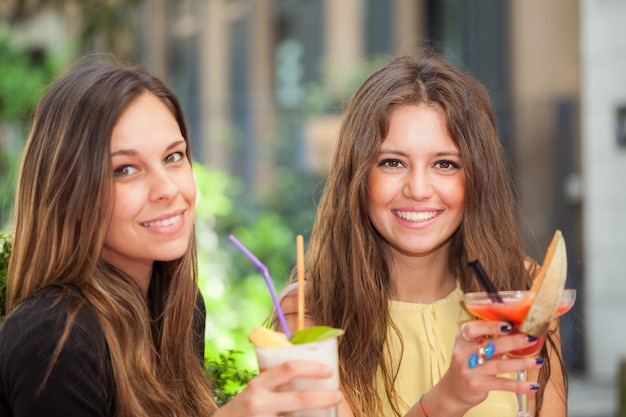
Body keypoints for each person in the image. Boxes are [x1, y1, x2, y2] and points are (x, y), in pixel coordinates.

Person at [0, 57, 343, 417]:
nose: (167, 188)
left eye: (173, 156)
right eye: (126, 169)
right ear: (70, 191)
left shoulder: (178, 307)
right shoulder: (54, 337)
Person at [280, 55, 568, 417]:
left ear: (477, 178)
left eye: (445, 164)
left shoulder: (524, 292)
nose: (418, 189)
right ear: (358, 177)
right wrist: (447, 399)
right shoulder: (306, 315)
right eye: (392, 162)